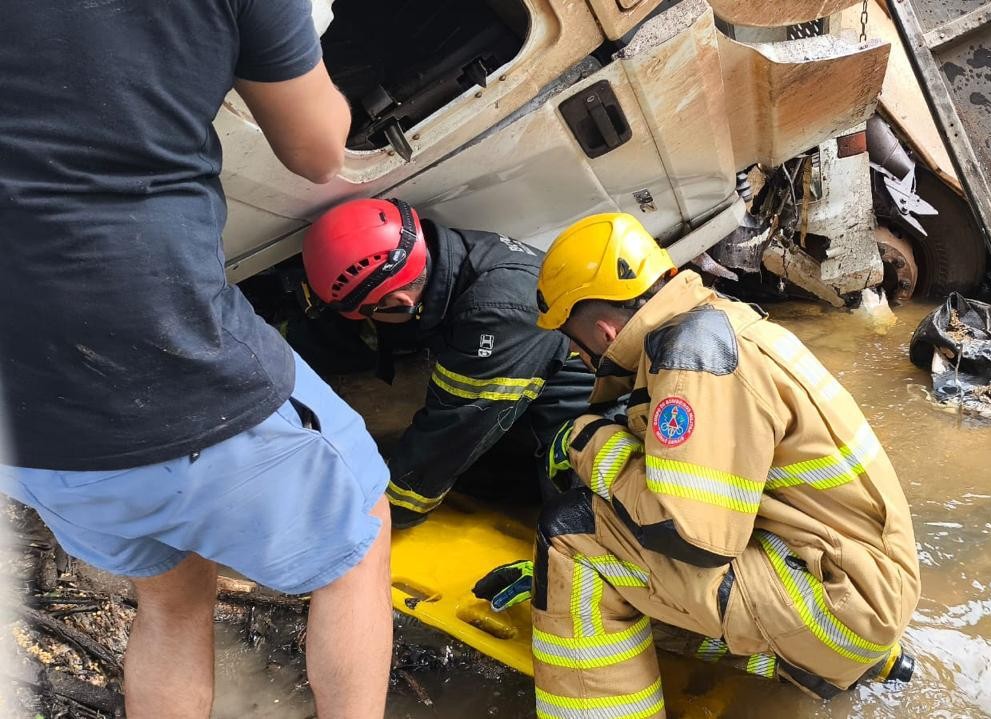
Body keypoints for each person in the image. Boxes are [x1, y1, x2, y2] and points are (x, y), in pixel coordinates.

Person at [0, 2, 393, 717]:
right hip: (166, 357)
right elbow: (318, 150)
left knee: (172, 598)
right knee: (362, 530)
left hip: (23, 425)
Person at [516, 213, 921, 716]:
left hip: (838, 601)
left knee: (569, 538)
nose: (575, 357)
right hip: (856, 582)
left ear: (600, 331)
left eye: (569, 339)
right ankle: (821, 664)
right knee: (630, 555)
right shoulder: (719, 325)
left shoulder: (693, 355)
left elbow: (688, 537)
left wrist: (587, 441)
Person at [301, 199, 597, 529]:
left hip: (583, 417)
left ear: (400, 303)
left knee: (570, 519)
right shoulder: (453, 255)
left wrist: (386, 510)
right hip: (530, 388)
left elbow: (454, 428)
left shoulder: (498, 314)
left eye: (369, 316)